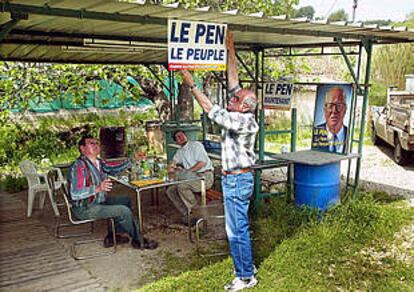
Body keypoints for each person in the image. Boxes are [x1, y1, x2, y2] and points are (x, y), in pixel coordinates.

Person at [181, 30, 259, 291]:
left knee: (236, 230)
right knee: (236, 227)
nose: (231, 98)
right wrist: (230, 49)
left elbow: (208, 108)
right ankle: (247, 266)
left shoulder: (241, 120)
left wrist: (192, 84)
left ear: (245, 106)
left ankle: (245, 276)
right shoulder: (242, 110)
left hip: (237, 181)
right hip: (235, 179)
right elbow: (233, 81)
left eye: (235, 99)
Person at [67, 135, 158, 250]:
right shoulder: (79, 166)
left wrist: (132, 160)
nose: (96, 145)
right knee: (122, 211)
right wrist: (97, 188)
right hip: (85, 207)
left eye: (97, 143)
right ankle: (139, 240)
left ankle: (115, 235)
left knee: (125, 200)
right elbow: (75, 193)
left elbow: (113, 170)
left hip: (98, 201)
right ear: (82, 148)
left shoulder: (99, 163)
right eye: (91, 143)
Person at [166, 130, 214, 225]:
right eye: (178, 137)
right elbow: (173, 163)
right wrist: (172, 167)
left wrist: (187, 171)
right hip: (192, 177)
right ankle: (188, 214)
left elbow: (202, 163)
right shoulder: (180, 151)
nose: (181, 137)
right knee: (170, 190)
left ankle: (198, 215)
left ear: (186, 136)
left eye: (182, 135)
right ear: (176, 142)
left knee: (182, 186)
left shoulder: (196, 145)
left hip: (205, 176)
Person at [312, 86, 348, 153]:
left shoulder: (350, 135)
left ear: (345, 109)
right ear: (324, 109)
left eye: (339, 105)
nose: (334, 111)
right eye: (330, 106)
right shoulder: (316, 133)